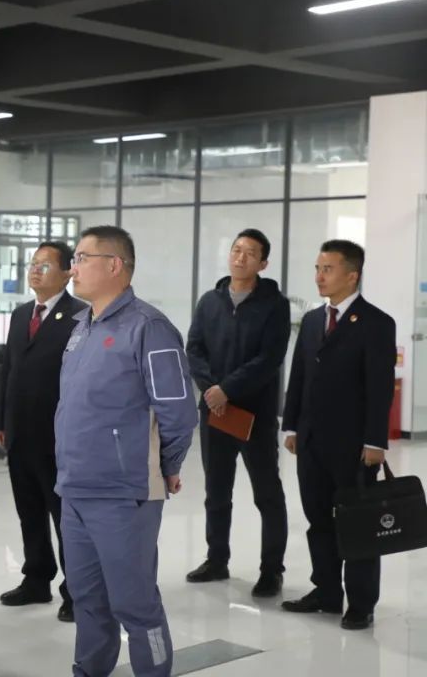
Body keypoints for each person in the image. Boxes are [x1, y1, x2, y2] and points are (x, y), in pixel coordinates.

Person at [55, 226, 196, 677]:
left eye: (82, 258)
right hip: (75, 488)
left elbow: (178, 411)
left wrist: (165, 465)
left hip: (123, 492)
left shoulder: (149, 328)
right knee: (87, 599)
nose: (73, 268)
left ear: (115, 265)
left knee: (134, 603)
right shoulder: (82, 326)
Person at [281, 240, 395, 631]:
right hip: (312, 442)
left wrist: (375, 441)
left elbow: (380, 388)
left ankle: (361, 602)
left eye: (327, 269)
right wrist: (292, 425)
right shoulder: (314, 320)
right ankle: (327, 592)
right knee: (318, 521)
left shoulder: (376, 323)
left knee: (358, 525)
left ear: (352, 275)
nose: (319, 276)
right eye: (317, 268)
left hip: (355, 447)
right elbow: (299, 375)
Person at [184, 229, 290, 596]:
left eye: (250, 253)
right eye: (236, 250)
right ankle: (217, 560)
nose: (240, 257)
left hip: (254, 414)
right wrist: (210, 390)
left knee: (267, 493)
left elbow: (270, 358)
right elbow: (194, 348)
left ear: (263, 263)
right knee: (216, 490)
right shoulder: (209, 301)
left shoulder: (274, 304)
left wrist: (226, 389)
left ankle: (272, 570)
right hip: (214, 413)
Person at [0, 240, 85, 623]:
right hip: (20, 432)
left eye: (45, 265)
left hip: (57, 435)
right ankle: (36, 579)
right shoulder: (20, 315)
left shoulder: (80, 316)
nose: (35, 270)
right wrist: (2, 420)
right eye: (33, 263)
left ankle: (76, 591)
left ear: (67, 273)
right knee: (29, 512)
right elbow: (9, 372)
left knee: (65, 517)